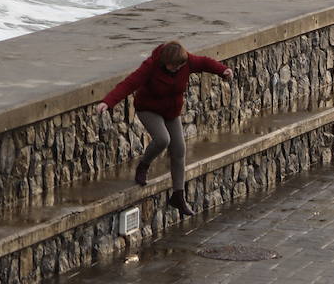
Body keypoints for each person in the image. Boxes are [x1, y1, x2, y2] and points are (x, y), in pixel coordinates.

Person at [95, 41, 234, 217]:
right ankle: (143, 166)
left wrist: (223, 70)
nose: (177, 69)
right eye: (174, 66)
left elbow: (205, 63)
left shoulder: (186, 61)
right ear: (165, 61)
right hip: (148, 108)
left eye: (180, 67)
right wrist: (108, 101)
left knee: (179, 149)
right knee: (163, 139)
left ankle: (178, 196)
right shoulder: (151, 66)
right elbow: (129, 84)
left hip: (170, 111)